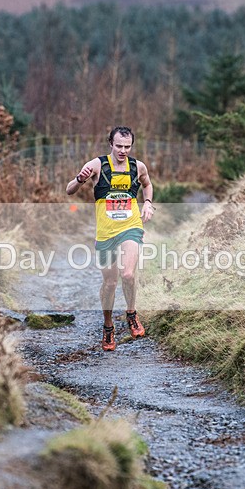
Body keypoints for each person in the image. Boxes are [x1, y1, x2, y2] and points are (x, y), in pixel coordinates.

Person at [66, 126, 154, 351]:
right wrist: (79, 178)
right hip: (106, 233)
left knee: (127, 273)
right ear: (111, 144)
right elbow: (70, 190)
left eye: (127, 146)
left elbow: (147, 184)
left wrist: (148, 204)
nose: (123, 150)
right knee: (110, 282)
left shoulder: (138, 166)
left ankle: (131, 313)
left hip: (131, 226)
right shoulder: (97, 165)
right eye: (119, 146)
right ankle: (108, 326)